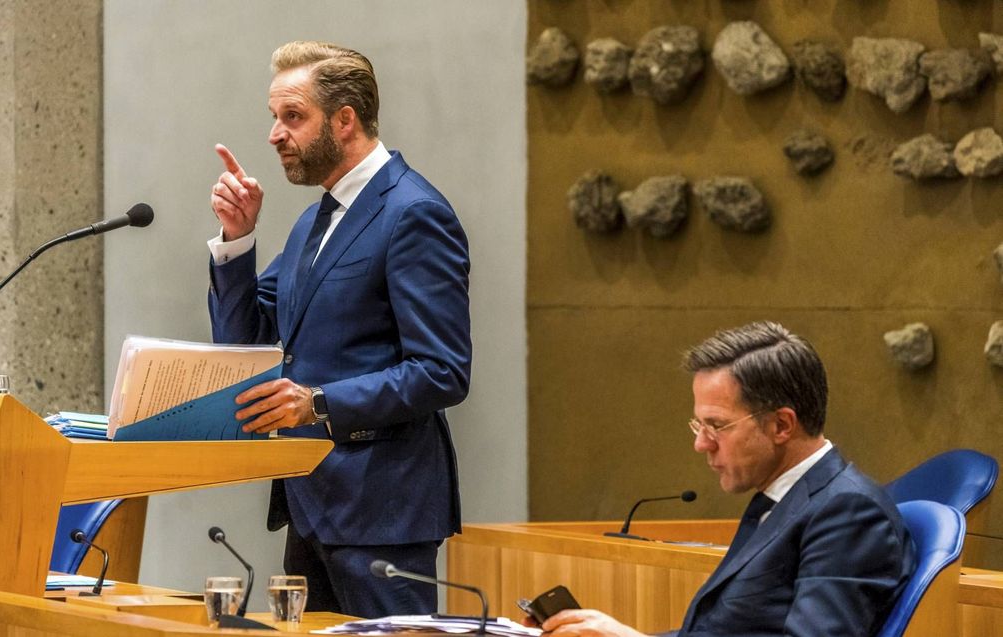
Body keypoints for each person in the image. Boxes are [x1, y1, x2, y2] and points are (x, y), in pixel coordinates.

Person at [205, 40, 471, 618]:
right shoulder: (317, 218)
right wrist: (238, 241)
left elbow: (443, 372)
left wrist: (318, 402)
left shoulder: (413, 212)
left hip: (383, 511)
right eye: (274, 118)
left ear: (345, 119)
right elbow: (245, 340)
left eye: (292, 117)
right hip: (310, 499)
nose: (276, 133)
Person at [535, 322, 915, 637]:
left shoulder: (848, 510)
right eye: (699, 425)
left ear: (781, 424)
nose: (701, 444)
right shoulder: (781, 497)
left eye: (716, 426)